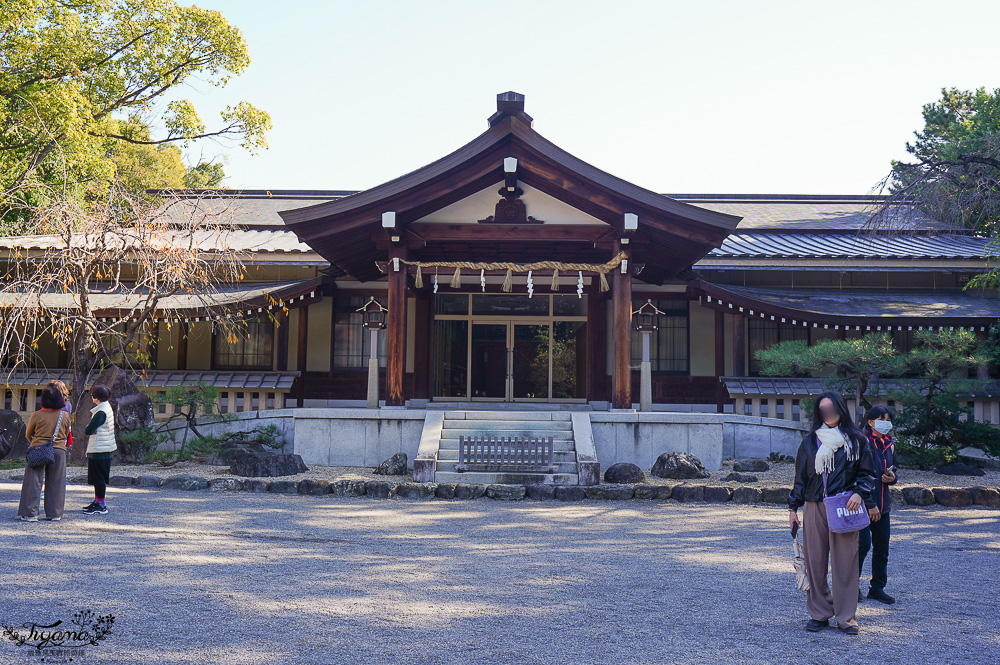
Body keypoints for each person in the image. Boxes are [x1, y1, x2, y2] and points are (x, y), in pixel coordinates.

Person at [788, 391, 877, 635]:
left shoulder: (857, 440)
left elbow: (868, 472)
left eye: (831, 409)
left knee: (846, 562)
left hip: (844, 505)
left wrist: (860, 493)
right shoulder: (810, 441)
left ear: (841, 409)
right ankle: (819, 613)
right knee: (814, 562)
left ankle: (846, 617)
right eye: (822, 410)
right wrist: (793, 508)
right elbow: (800, 478)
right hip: (814, 505)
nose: (827, 414)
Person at [858, 405, 898, 604]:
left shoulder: (889, 443)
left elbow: (893, 468)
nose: (886, 423)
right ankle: (851, 586)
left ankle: (877, 588)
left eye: (888, 420)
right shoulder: (861, 442)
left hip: (883, 504)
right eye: (882, 419)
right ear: (870, 421)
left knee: (882, 548)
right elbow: (856, 475)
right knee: (861, 546)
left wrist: (893, 478)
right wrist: (869, 502)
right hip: (862, 504)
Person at [16, 386, 71, 522]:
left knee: (33, 481)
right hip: (58, 450)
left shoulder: (37, 415)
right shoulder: (64, 415)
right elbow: (66, 434)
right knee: (57, 481)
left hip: (38, 448)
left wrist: (37, 442)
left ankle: (30, 514)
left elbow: (28, 434)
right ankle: (55, 513)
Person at [82, 385, 116, 516]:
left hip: (100, 448)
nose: (92, 397)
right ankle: (97, 501)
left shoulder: (101, 412)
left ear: (96, 398)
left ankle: (101, 505)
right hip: (104, 446)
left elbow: (88, 430)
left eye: (92, 395)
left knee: (99, 478)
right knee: (98, 478)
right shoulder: (106, 407)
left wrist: (90, 428)